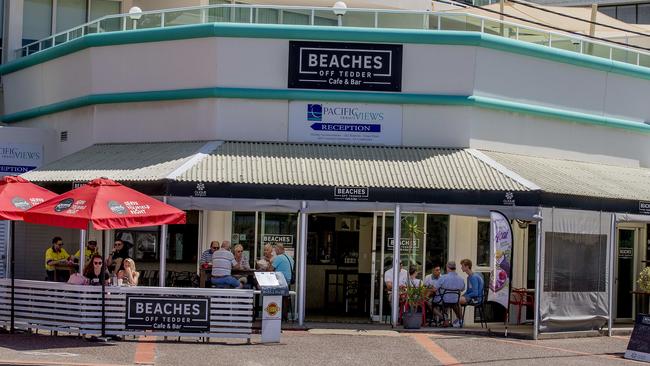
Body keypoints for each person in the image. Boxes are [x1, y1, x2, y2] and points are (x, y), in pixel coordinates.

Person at [435, 260, 466, 327]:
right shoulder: (461, 279)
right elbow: (463, 289)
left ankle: (445, 319)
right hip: (455, 301)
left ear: (447, 267)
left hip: (443, 301)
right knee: (454, 303)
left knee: (432, 303)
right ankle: (460, 321)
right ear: (455, 268)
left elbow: (435, 288)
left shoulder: (443, 278)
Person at [271, 243, 295, 321]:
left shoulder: (279, 258)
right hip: (287, 282)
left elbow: (270, 269)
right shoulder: (290, 258)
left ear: (278, 249)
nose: (275, 252)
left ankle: (273, 313)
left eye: (275, 250)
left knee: (268, 290)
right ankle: (284, 316)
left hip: (280, 282)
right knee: (285, 298)